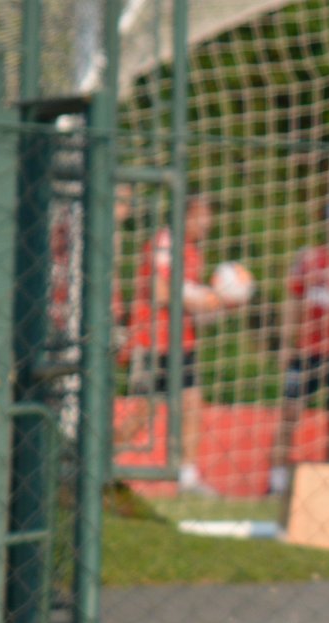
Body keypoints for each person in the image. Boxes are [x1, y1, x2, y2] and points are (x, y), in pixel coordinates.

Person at [121, 192, 227, 494]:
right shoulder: (165, 243)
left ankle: (188, 476)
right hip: (153, 340)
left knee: (192, 405)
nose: (208, 223)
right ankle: (98, 463)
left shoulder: (194, 252)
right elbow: (160, 291)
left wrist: (212, 305)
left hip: (183, 343)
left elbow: (188, 301)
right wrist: (201, 298)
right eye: (202, 216)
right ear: (187, 215)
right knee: (143, 414)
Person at [269, 196, 329, 499]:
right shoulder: (309, 259)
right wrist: (287, 342)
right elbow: (294, 300)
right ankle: (278, 481)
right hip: (308, 350)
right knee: (289, 413)